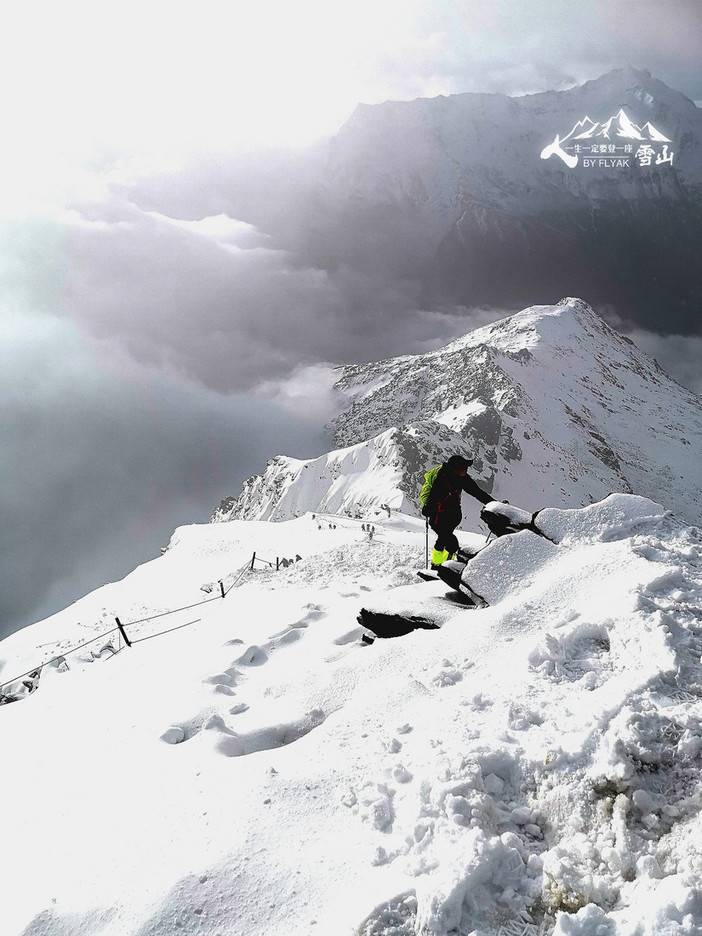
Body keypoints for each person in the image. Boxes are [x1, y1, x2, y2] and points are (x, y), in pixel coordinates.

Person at [420, 455, 492, 568]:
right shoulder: (442, 478)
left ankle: (442, 566)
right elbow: (434, 497)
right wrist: (429, 508)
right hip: (439, 517)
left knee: (448, 542)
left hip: (450, 515)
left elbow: (477, 492)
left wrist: (493, 503)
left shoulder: (461, 477)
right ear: (455, 469)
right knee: (449, 542)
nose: (465, 471)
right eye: (463, 469)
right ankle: (439, 567)